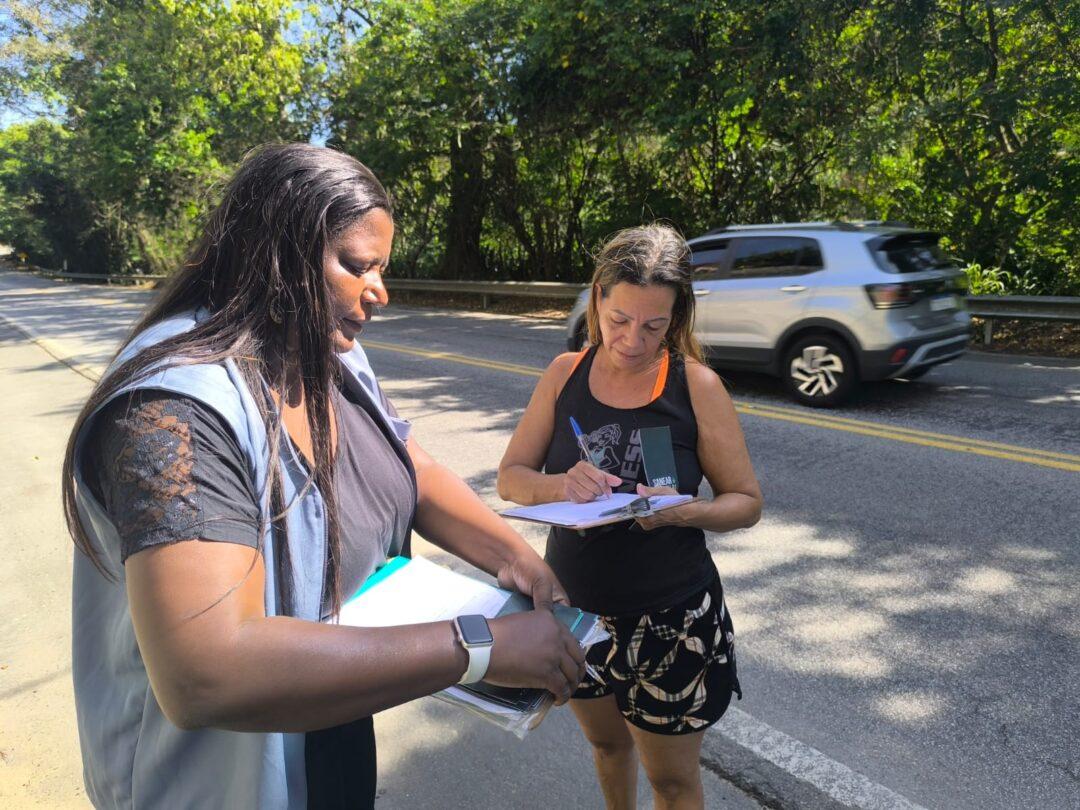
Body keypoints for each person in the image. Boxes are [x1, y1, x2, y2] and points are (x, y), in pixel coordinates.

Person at [61, 143, 585, 810]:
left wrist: (516, 558)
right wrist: (478, 646)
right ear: (271, 255)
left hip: (332, 716)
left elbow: (410, 465)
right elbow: (206, 672)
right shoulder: (173, 411)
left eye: (381, 268)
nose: (379, 292)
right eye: (356, 266)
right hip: (218, 782)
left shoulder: (325, 346)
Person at [497, 224, 763, 810]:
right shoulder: (565, 373)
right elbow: (510, 476)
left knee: (672, 782)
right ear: (597, 298)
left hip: (671, 621)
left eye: (653, 326)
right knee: (607, 748)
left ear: (677, 318)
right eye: (619, 319)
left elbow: (745, 501)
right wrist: (558, 484)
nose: (632, 340)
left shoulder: (697, 386)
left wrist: (684, 513)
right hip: (576, 612)